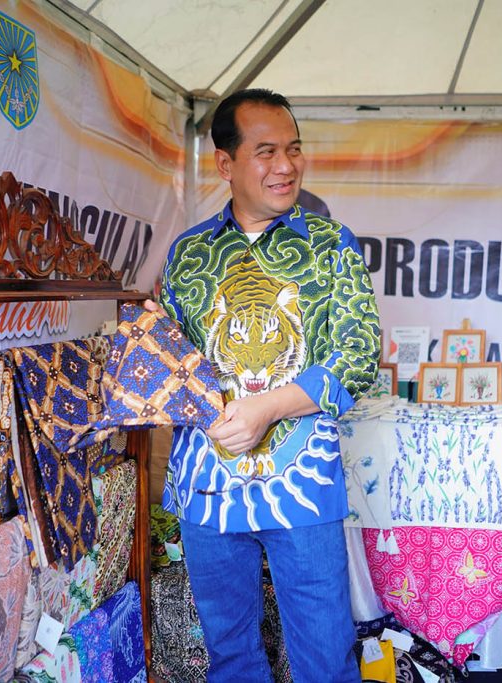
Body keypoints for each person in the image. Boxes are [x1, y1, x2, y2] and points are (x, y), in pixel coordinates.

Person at [153, 88, 380, 681]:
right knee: (230, 657)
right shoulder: (188, 254)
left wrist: (267, 408)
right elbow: (172, 361)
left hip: (302, 485)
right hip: (207, 482)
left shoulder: (331, 246)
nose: (286, 166)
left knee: (325, 658)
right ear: (225, 163)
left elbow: (359, 356)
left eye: (294, 150)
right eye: (267, 152)